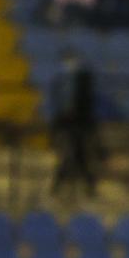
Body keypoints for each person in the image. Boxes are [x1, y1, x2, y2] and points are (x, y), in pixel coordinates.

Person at [50, 48, 102, 197]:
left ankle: (64, 186)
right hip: (68, 125)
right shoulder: (60, 80)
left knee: (79, 155)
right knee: (71, 155)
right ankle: (62, 186)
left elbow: (86, 103)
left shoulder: (84, 80)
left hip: (79, 124)